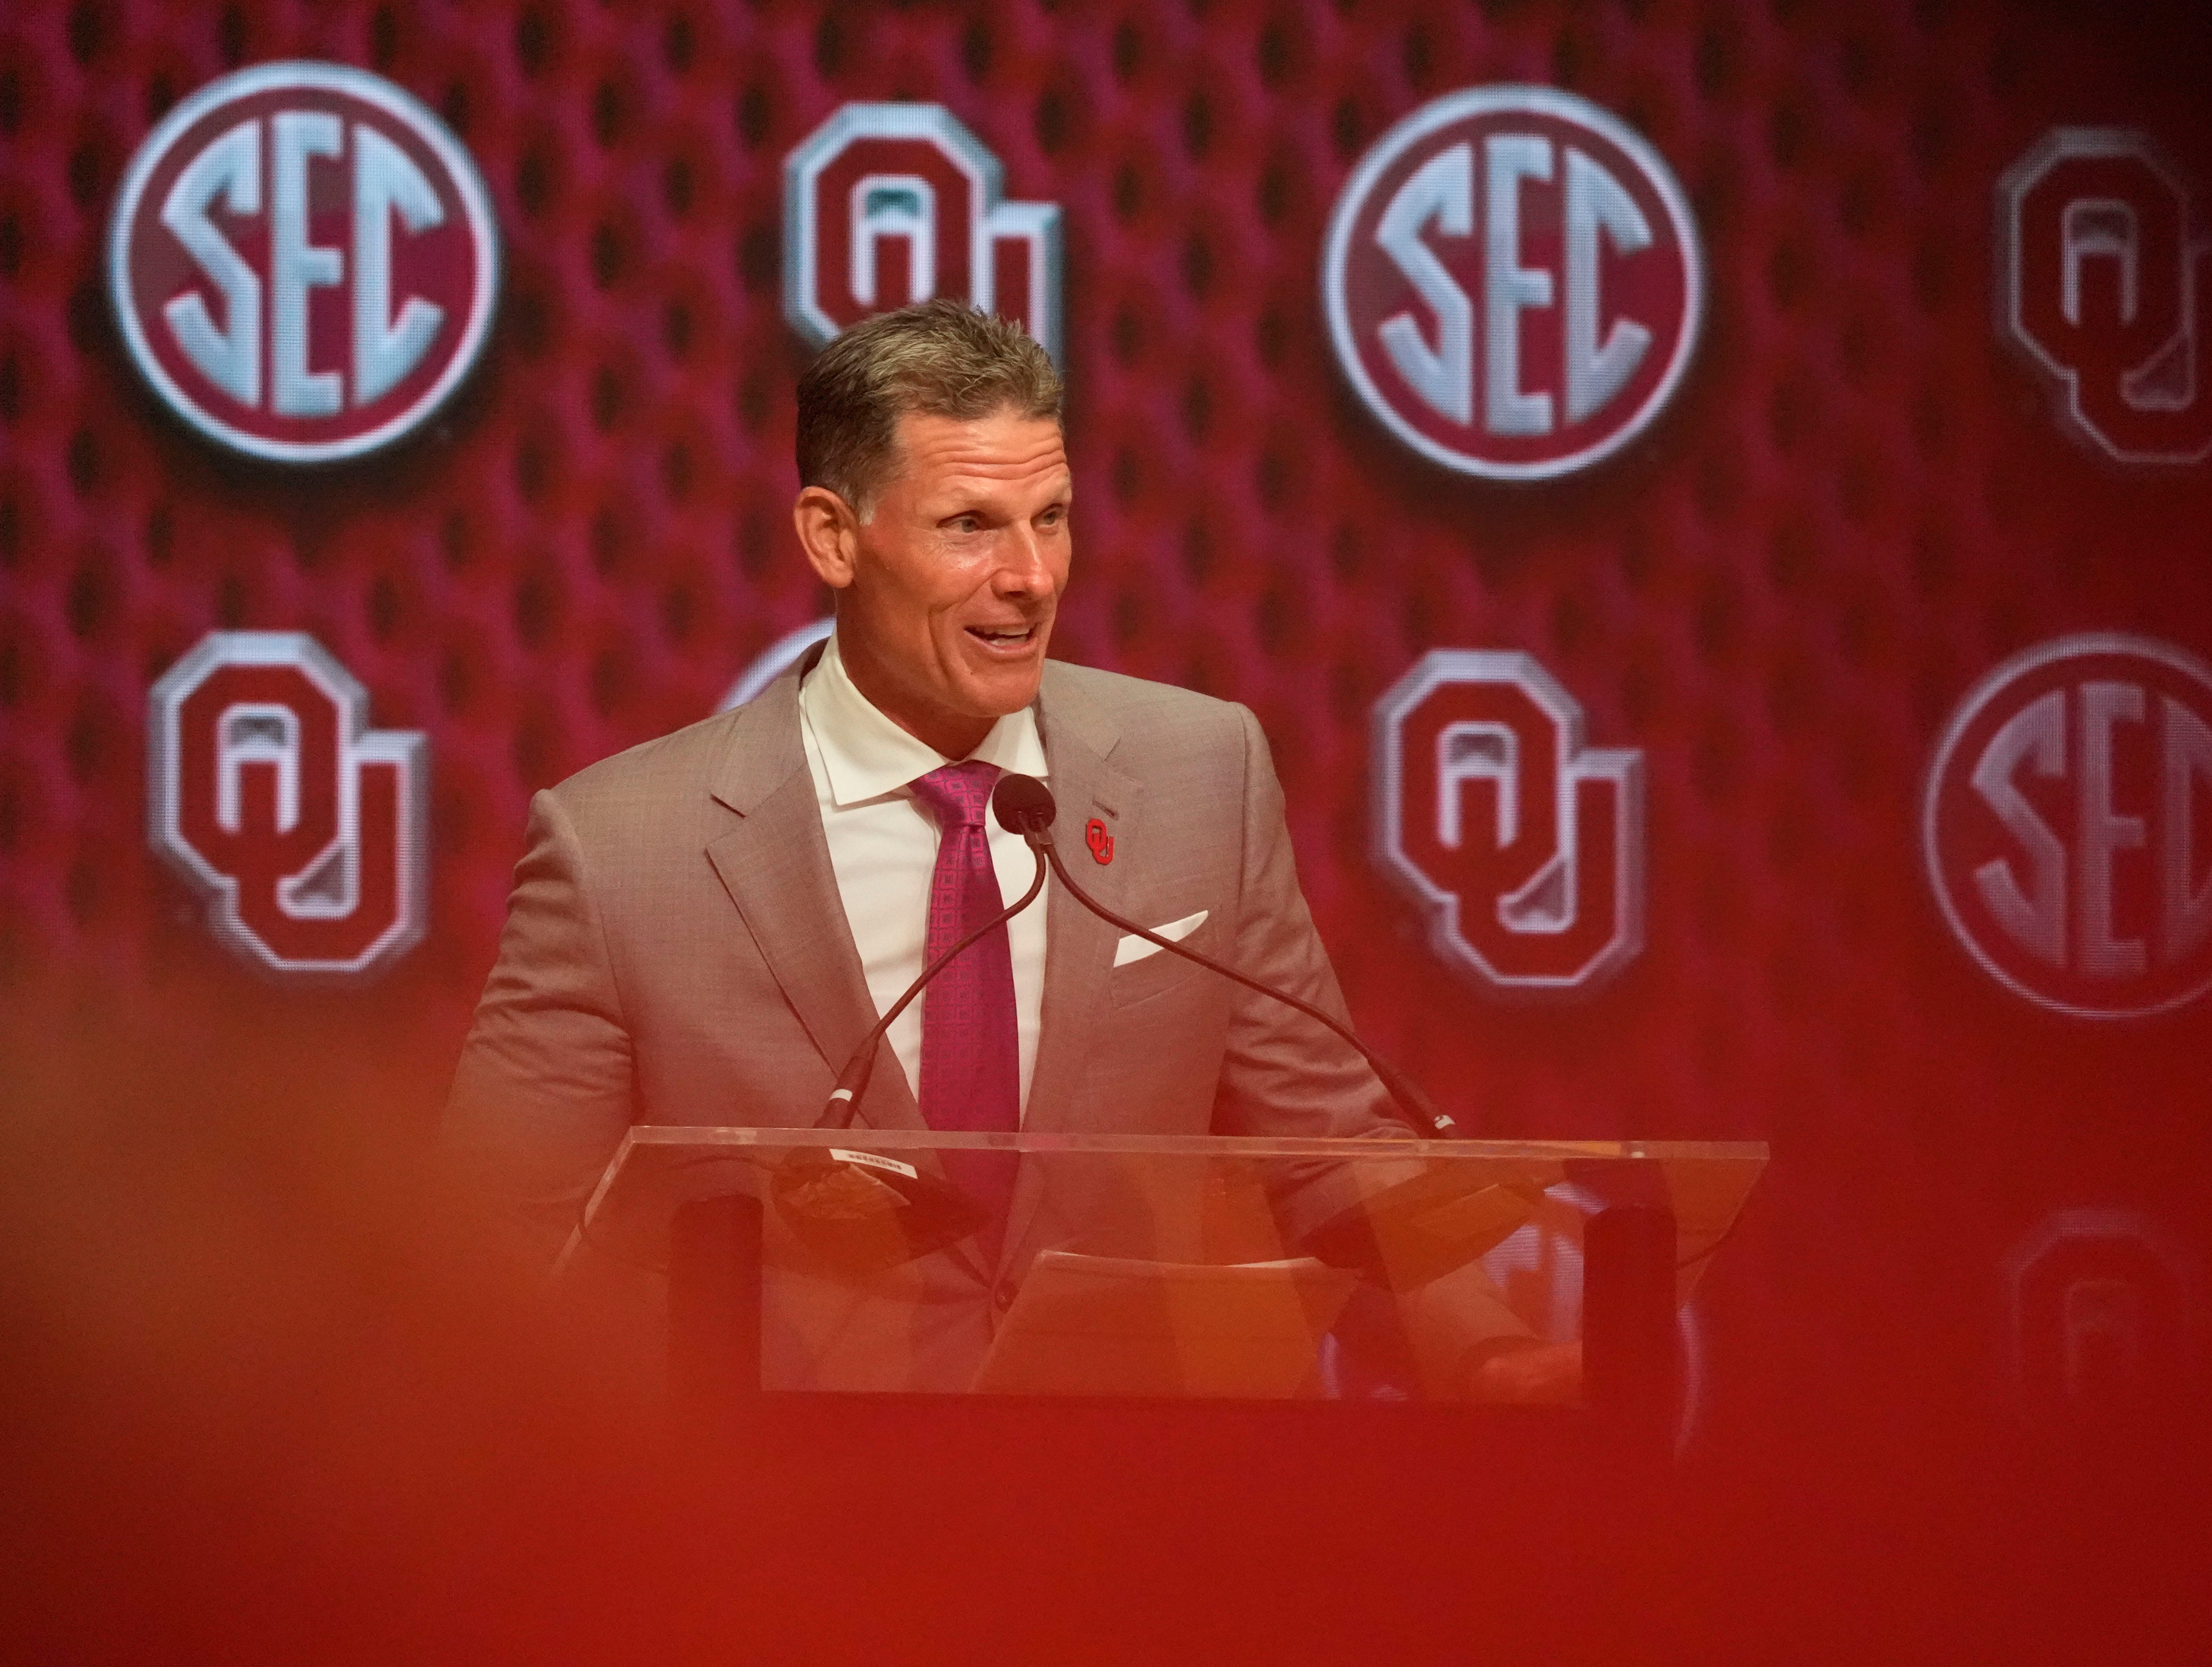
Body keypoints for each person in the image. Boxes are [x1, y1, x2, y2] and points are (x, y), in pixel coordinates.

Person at [444, 300, 1566, 1397]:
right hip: (768, 1526)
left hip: (1114, 1499)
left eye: (1052, 516)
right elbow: (494, 1249)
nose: (1031, 576)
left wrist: (1487, 1350)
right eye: (970, 525)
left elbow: (1327, 1153)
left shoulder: (1199, 773)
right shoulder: (620, 845)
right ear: (834, 536)